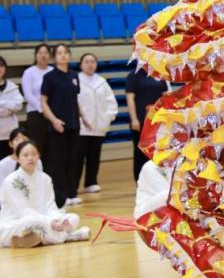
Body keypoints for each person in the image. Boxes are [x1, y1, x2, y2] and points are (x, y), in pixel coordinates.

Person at [0, 142, 90, 246]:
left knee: (73, 218)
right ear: (18, 158)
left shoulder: (45, 179)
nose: (30, 158)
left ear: (38, 156)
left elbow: (50, 206)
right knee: (31, 222)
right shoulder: (11, 181)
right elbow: (22, 211)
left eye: (34, 154)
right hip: (17, 223)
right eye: (25, 155)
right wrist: (50, 222)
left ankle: (39, 238)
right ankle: (68, 236)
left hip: (45, 221)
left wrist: (57, 220)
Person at [39, 44, 81, 208]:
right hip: (58, 125)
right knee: (59, 161)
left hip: (74, 124)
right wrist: (54, 120)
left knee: (73, 160)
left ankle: (72, 192)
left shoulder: (74, 75)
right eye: (59, 53)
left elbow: (75, 100)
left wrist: (81, 117)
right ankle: (62, 195)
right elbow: (43, 102)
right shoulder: (49, 77)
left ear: (69, 55)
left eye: (65, 52)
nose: (63, 55)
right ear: (54, 57)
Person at [75, 53, 116, 195]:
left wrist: (108, 118)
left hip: (99, 127)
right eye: (86, 61)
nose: (90, 64)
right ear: (81, 65)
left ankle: (91, 182)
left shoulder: (102, 82)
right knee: (78, 157)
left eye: (92, 61)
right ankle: (73, 185)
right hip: (81, 127)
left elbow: (111, 102)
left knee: (94, 156)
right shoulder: (76, 80)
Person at [125, 61, 168, 181]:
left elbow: (165, 96)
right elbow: (130, 99)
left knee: (157, 151)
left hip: (157, 121)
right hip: (140, 120)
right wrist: (134, 119)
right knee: (140, 153)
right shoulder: (134, 75)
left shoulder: (159, 73)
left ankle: (156, 180)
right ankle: (140, 180)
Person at [20, 45, 52, 151]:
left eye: (46, 53)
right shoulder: (29, 72)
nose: (43, 55)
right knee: (37, 147)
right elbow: (28, 95)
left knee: (52, 148)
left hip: (53, 114)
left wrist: (50, 112)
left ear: (50, 55)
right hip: (36, 113)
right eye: (40, 53)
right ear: (35, 55)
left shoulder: (53, 71)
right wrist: (43, 109)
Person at [0, 58, 23, 139]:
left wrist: (2, 103)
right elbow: (12, 105)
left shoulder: (12, 86)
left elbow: (18, 105)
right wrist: (8, 106)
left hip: (10, 130)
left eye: (2, 65)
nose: (0, 68)